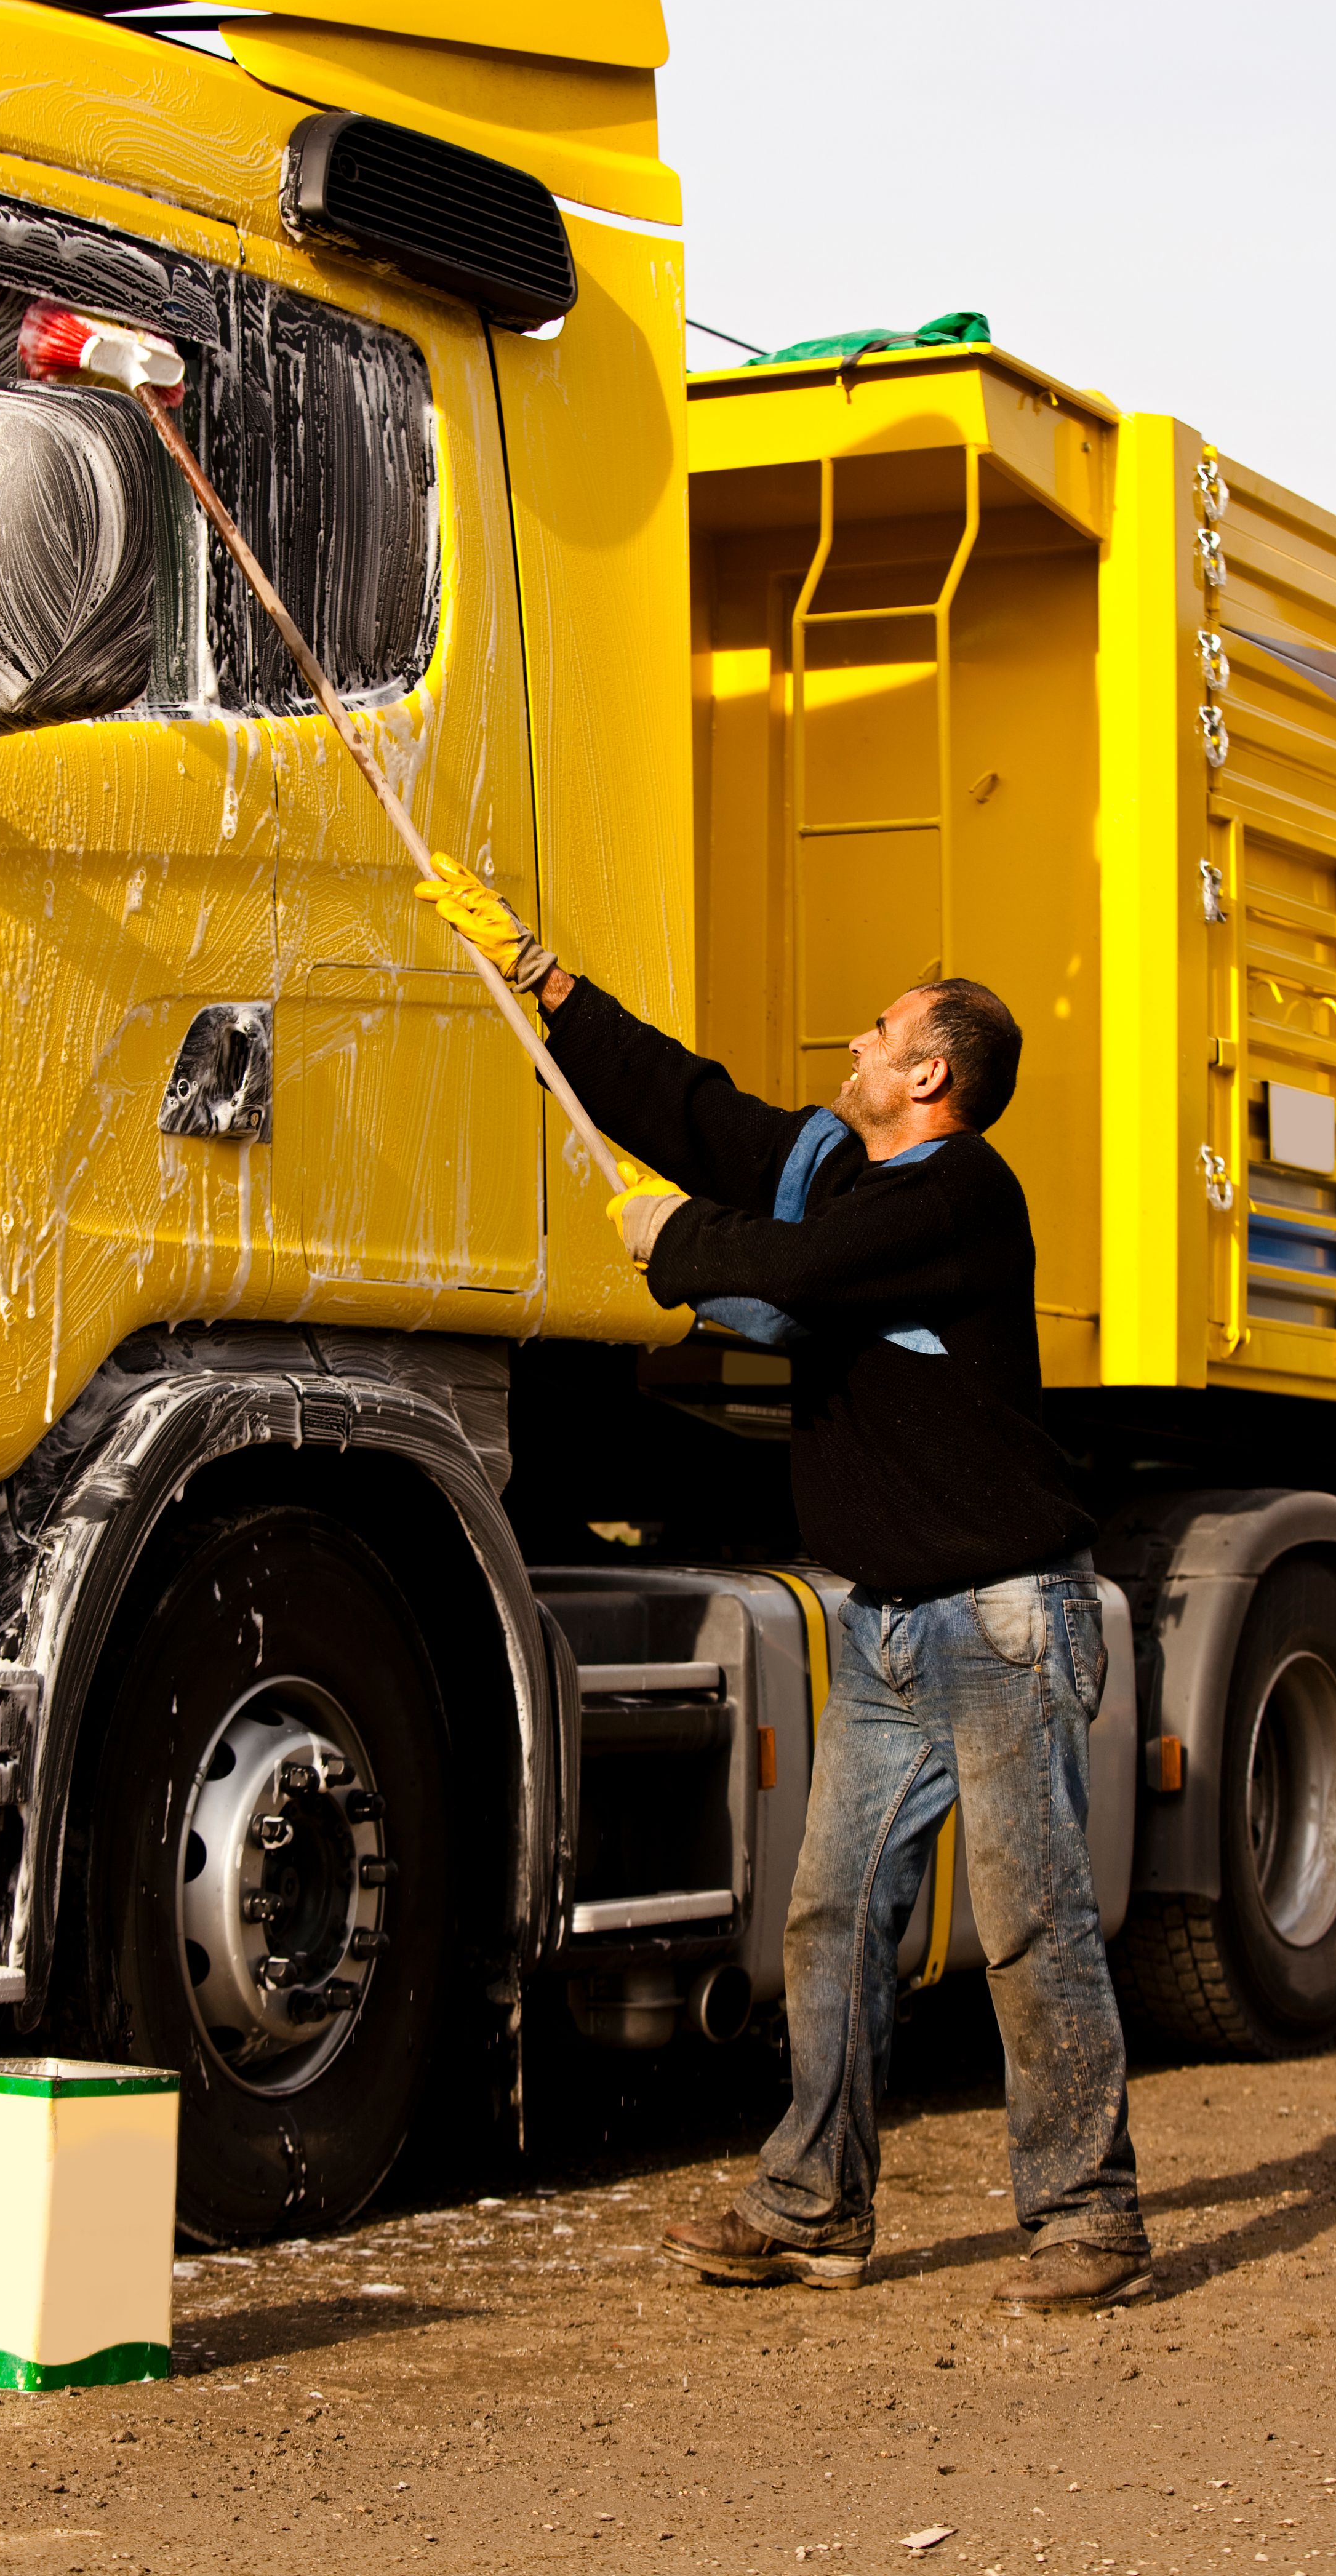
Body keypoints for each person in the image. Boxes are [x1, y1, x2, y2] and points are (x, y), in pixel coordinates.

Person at [416, 855, 1151, 2315]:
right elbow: (694, 1113)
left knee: (1033, 1921)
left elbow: (801, 1275)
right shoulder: (843, 1173)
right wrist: (548, 987)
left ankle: (1090, 2224)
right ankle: (817, 2206)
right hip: (884, 1628)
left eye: (882, 1034)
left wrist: (673, 1243)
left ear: (931, 1071)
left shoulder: (955, 1199)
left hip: (1005, 1623)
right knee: (830, 1917)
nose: (857, 1047)